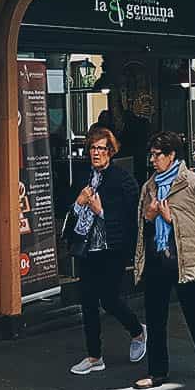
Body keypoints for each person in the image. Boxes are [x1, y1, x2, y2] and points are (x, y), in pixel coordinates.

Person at [132, 131, 195, 389]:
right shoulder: (149, 186)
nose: (153, 160)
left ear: (171, 155)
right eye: (152, 155)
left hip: (187, 258)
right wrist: (149, 215)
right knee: (155, 315)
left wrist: (170, 220)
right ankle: (157, 371)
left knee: (194, 310)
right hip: (158, 257)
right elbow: (142, 226)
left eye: (158, 155)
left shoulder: (192, 182)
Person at [67, 125, 147, 375]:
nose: (96, 153)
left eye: (102, 148)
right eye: (92, 148)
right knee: (87, 302)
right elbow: (70, 213)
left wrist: (101, 211)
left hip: (112, 249)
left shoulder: (123, 179)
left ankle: (138, 331)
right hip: (87, 248)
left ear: (111, 152)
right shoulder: (82, 176)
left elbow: (131, 218)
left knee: (110, 299)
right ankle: (94, 356)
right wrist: (80, 204)